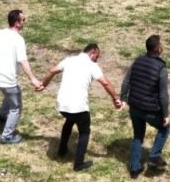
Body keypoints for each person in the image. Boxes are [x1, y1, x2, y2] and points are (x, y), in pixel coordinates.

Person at [38, 43, 123, 172]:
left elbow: (52, 71)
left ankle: (61, 150)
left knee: (69, 121)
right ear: (92, 53)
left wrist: (44, 84)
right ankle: (78, 163)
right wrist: (115, 98)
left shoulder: (69, 60)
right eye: (97, 57)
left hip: (62, 105)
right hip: (78, 106)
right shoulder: (92, 66)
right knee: (84, 132)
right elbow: (105, 83)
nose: (97, 59)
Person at [0, 9, 42, 145]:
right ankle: (7, 136)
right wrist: (33, 79)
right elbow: (23, 61)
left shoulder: (0, 33)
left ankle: (1, 115)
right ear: (17, 23)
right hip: (7, 78)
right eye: (23, 20)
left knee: (13, 91)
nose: (24, 22)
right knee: (16, 107)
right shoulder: (18, 40)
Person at [121, 34, 170, 179]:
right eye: (160, 44)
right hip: (150, 110)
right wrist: (166, 115)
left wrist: (123, 98)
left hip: (135, 107)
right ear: (158, 49)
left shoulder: (137, 61)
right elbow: (163, 95)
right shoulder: (161, 68)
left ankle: (134, 168)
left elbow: (126, 82)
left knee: (138, 136)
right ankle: (154, 156)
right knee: (164, 128)